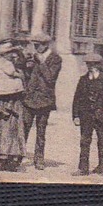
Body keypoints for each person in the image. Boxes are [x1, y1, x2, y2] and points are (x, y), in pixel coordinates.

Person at [22, 31, 62, 170]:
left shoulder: (55, 59)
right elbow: (26, 75)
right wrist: (27, 63)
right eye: (35, 45)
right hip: (30, 99)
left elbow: (50, 78)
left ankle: (39, 159)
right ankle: (19, 156)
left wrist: (42, 62)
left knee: (41, 131)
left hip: (45, 100)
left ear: (46, 45)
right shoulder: (32, 58)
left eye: (39, 45)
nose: (37, 48)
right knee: (24, 128)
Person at [0, 45, 27, 171]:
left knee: (7, 131)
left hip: (8, 101)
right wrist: (19, 76)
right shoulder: (6, 65)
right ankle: (3, 158)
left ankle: (6, 157)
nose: (13, 55)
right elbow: (12, 75)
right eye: (11, 53)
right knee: (6, 131)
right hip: (6, 101)